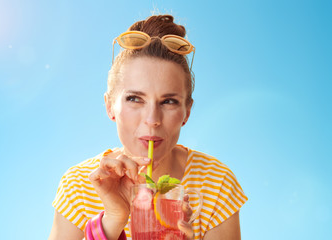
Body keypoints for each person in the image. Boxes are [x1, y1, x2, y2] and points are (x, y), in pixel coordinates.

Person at [48, 14, 247, 240]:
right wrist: (112, 220)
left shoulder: (215, 183)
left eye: (169, 101)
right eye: (134, 99)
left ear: (186, 112)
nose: (152, 119)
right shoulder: (80, 186)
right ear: (110, 106)